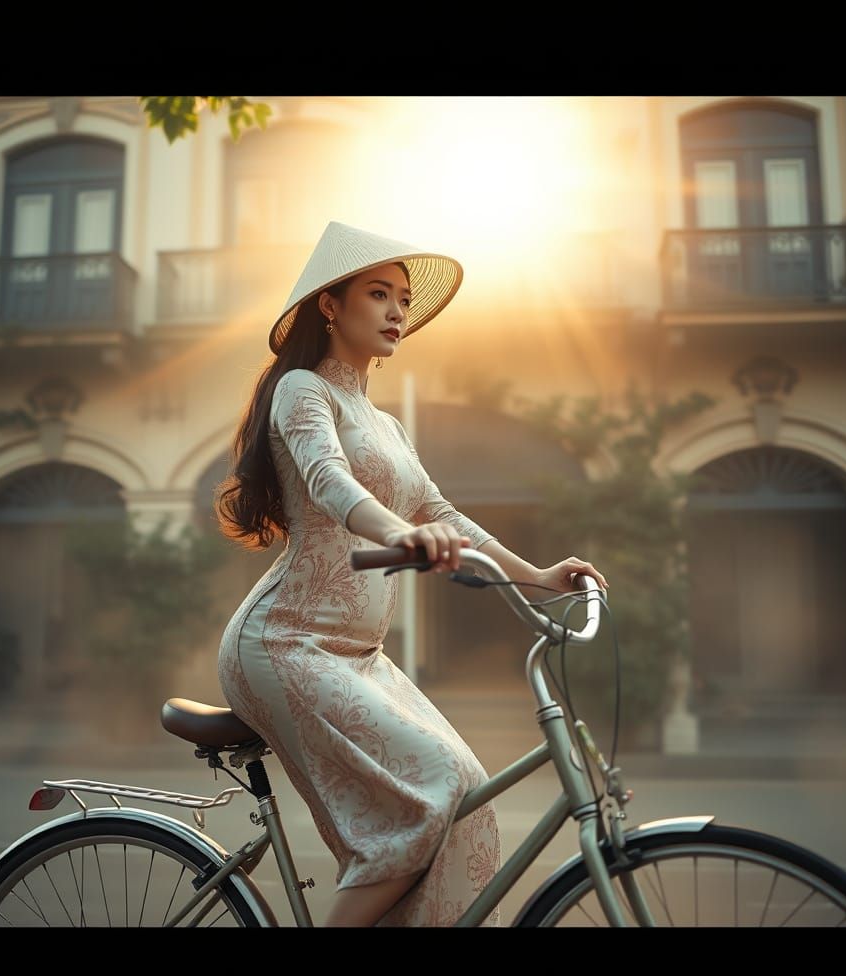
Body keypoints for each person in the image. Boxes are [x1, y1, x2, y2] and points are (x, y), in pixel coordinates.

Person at [214, 221, 610, 927]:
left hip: (361, 657)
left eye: (402, 297)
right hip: (285, 644)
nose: (398, 310)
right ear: (329, 306)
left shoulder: (387, 424)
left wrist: (540, 576)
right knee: (431, 792)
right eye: (378, 293)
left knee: (468, 801)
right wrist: (402, 534)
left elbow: (440, 510)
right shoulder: (303, 390)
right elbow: (331, 483)